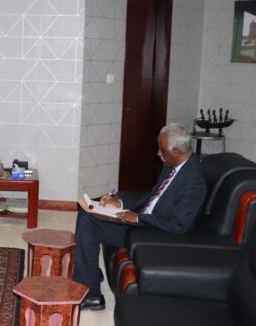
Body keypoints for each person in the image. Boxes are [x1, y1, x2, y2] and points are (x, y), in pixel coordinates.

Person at [72, 123, 207, 311]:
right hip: (143, 220)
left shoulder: (194, 179)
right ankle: (90, 274)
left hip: (152, 232)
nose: (158, 154)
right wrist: (119, 203)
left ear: (176, 150)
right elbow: (152, 196)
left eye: (162, 150)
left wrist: (136, 218)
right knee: (87, 210)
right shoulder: (173, 165)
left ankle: (92, 296)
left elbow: (179, 225)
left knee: (89, 223)